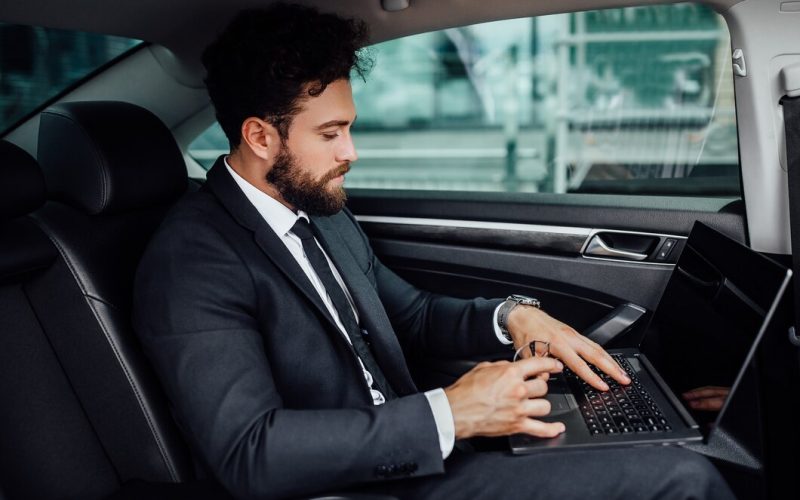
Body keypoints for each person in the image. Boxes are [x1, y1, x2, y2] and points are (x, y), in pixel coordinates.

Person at [133, 4, 734, 499]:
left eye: (349, 127)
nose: (351, 152)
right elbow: (250, 454)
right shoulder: (192, 260)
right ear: (260, 136)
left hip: (421, 452)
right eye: (329, 133)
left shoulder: (315, 211)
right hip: (362, 485)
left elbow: (413, 316)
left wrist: (513, 315)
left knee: (663, 436)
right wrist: (452, 414)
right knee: (684, 480)